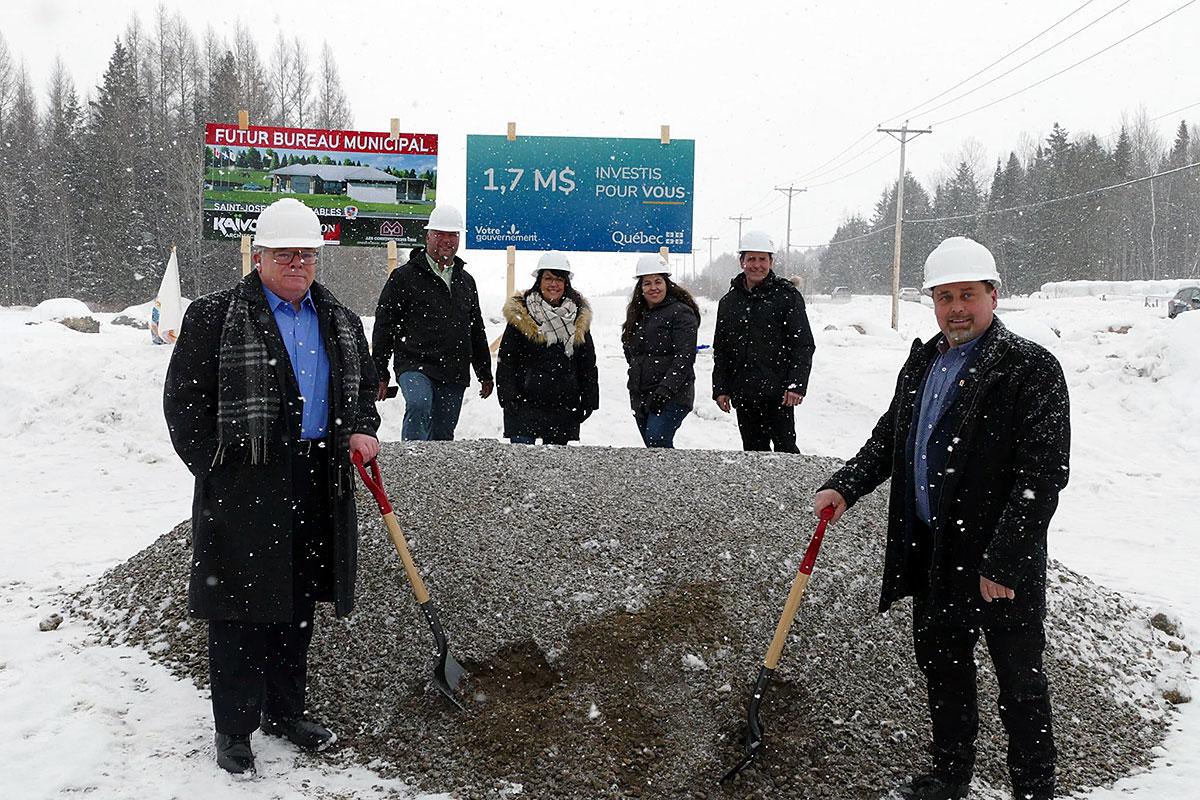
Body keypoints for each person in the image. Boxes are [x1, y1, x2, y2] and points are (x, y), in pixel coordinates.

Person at [812, 237, 1070, 800]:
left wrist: (1002, 560)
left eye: (968, 295)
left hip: (1001, 561)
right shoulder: (924, 361)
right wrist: (845, 486)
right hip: (934, 551)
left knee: (1019, 684)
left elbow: (1042, 475)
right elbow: (892, 437)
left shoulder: (1030, 367)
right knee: (945, 667)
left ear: (993, 295)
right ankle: (950, 775)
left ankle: (1035, 788)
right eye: (945, 296)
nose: (957, 307)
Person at [163, 198, 381, 775]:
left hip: (316, 475)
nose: (297, 263)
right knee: (239, 608)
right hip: (245, 479)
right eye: (285, 253)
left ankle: (285, 711)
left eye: (307, 254)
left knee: (297, 601)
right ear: (258, 256)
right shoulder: (215, 317)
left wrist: (360, 428)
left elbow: (360, 394)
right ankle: (234, 729)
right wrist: (215, 468)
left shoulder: (338, 320)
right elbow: (183, 404)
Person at [371, 204, 493, 440]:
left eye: (452, 235)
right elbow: (385, 325)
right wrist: (380, 371)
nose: (446, 240)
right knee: (419, 404)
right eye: (440, 234)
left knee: (443, 434)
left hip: (454, 369)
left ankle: (437, 476)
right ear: (428, 236)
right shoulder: (404, 277)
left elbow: (476, 330)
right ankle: (411, 463)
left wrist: (484, 372)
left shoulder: (466, 282)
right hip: (415, 364)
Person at [712, 230, 815, 452]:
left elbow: (803, 344)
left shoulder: (787, 297)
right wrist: (721, 388)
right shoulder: (729, 302)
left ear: (771, 262)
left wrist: (796, 384)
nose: (756, 265)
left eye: (762, 259)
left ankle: (790, 487)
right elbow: (722, 350)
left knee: (786, 450)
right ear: (742, 262)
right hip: (744, 393)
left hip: (779, 394)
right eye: (751, 259)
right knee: (753, 452)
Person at [495, 251, 599, 445]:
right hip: (523, 406)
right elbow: (507, 360)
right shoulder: (522, 314)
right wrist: (508, 398)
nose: (553, 284)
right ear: (539, 281)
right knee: (522, 467)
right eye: (548, 278)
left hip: (562, 407)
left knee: (553, 471)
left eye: (559, 279)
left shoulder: (578, 317)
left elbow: (586, 363)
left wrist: (589, 398)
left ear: (566, 283)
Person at [621, 253, 701, 448]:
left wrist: (665, 390)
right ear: (640, 287)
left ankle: (677, 478)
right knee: (653, 450)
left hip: (672, 395)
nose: (653, 287)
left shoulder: (680, 312)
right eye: (647, 283)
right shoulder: (637, 314)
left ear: (667, 283)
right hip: (641, 394)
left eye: (658, 281)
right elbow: (631, 352)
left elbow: (685, 356)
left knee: (658, 442)